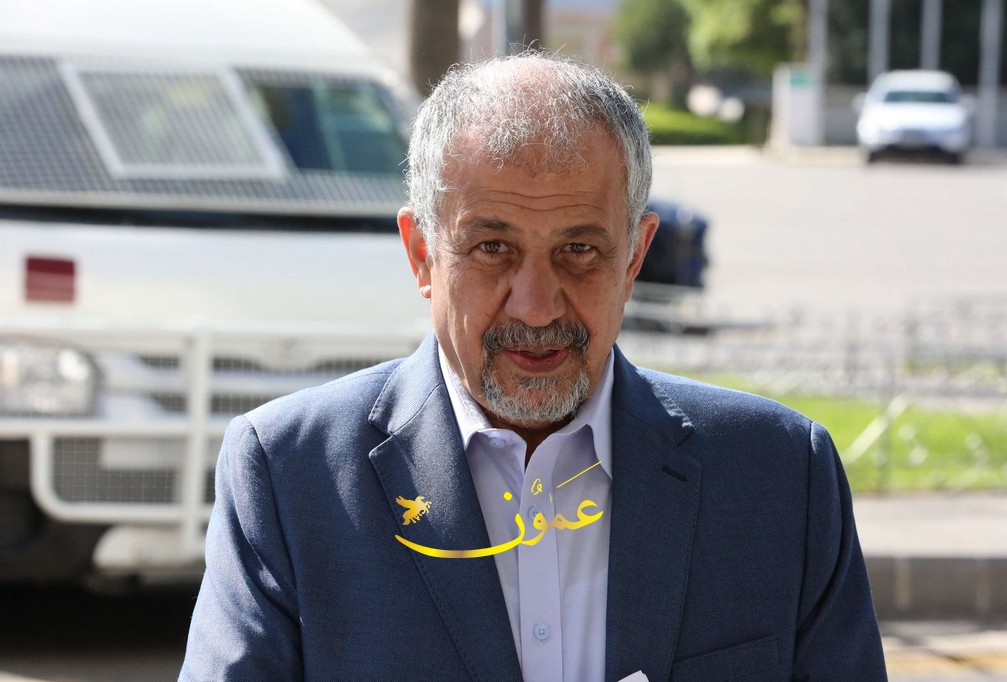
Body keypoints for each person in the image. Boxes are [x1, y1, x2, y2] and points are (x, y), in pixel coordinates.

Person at [180, 53, 887, 681]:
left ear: (635, 257)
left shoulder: (780, 477)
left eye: (579, 250)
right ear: (422, 255)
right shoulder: (290, 478)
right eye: (494, 249)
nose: (538, 306)